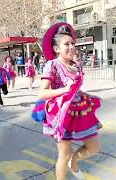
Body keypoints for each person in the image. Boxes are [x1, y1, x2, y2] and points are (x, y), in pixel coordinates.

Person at [38, 22, 102, 180]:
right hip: (61, 114)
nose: (72, 46)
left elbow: (75, 89)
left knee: (93, 147)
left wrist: (87, 95)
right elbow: (42, 93)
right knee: (64, 154)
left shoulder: (77, 65)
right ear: (56, 48)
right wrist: (64, 90)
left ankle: (75, 160)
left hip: (80, 109)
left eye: (73, 43)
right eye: (66, 44)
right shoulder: (52, 65)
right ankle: (68, 162)